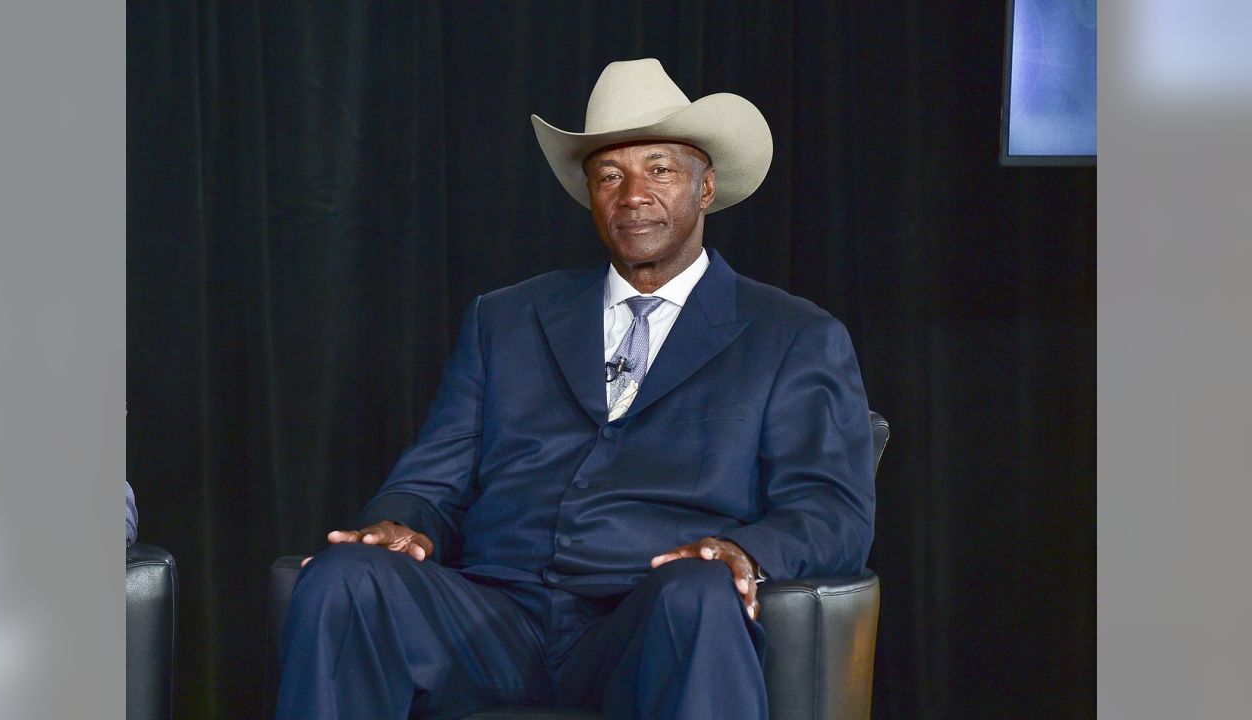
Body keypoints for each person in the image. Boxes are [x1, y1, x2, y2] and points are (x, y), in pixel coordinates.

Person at [277, 58, 875, 720]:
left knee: (699, 596)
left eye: (660, 170)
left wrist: (742, 553)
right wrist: (400, 525)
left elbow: (832, 510)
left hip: (648, 623)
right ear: (589, 194)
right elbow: (430, 483)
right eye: (609, 175)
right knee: (343, 578)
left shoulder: (792, 335)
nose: (633, 193)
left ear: (705, 189)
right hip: (492, 623)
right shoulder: (504, 319)